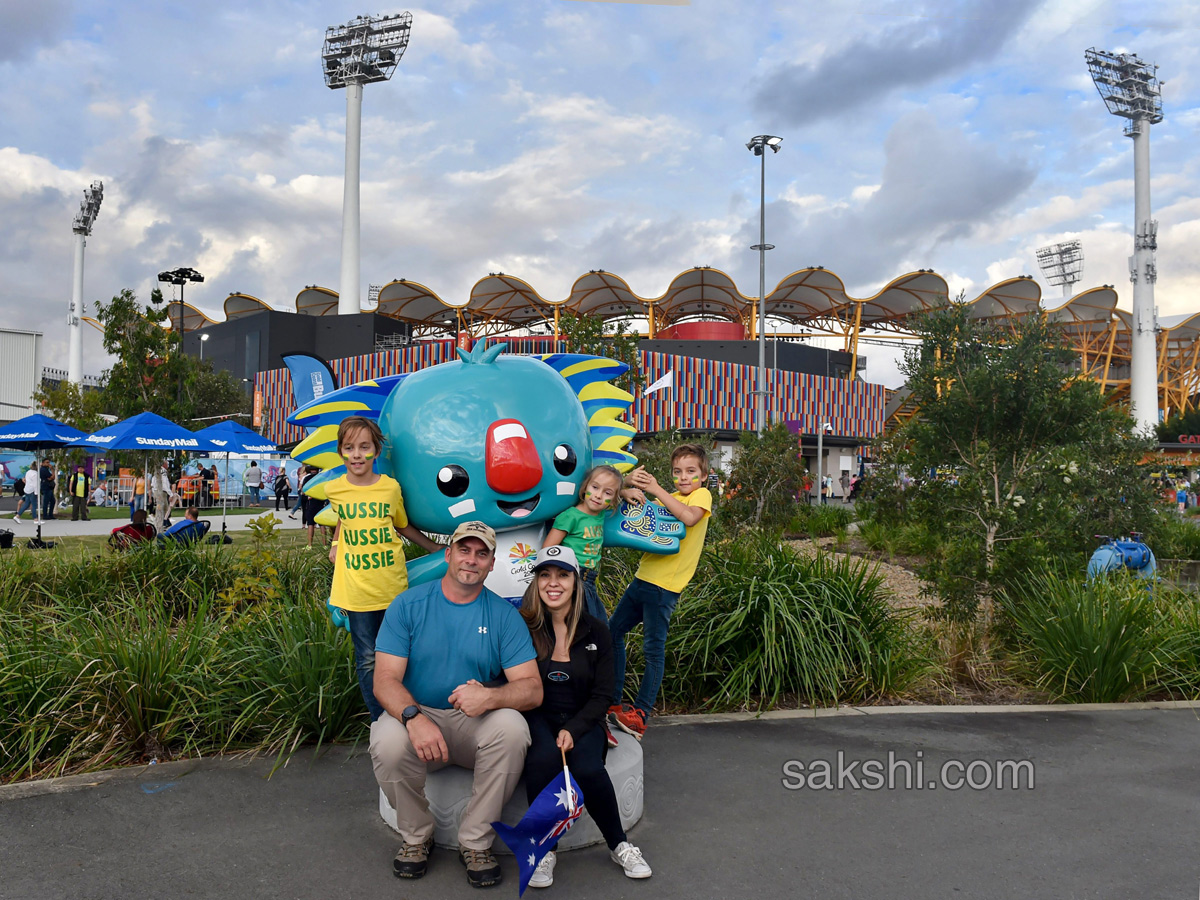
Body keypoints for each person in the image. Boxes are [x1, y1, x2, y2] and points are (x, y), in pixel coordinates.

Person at [370, 520, 542, 889]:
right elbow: (384, 680)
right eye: (464, 550)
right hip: (419, 713)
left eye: (482, 554)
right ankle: (417, 837)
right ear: (448, 554)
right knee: (385, 738)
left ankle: (476, 842)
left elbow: (532, 689)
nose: (472, 560)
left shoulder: (503, 616)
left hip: (472, 721)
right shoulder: (409, 604)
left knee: (512, 728)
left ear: (492, 564)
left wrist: (491, 696)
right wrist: (413, 717)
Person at [518, 546, 652, 889]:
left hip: (583, 717)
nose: (553, 583)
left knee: (588, 767)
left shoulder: (597, 631)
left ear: (576, 582)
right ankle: (546, 848)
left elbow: (603, 694)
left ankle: (619, 844)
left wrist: (575, 729)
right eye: (545, 575)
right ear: (536, 582)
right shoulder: (524, 627)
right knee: (543, 760)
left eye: (562, 575)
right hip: (537, 717)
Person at [324, 416, 441, 721]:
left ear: (376, 451)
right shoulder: (334, 490)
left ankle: (411, 711)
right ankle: (382, 721)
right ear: (341, 452)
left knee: (403, 655)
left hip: (391, 587)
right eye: (349, 447)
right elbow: (344, 519)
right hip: (356, 590)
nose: (357, 454)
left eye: (364, 447)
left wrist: (435, 548)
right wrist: (336, 545)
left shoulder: (390, 488)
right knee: (366, 659)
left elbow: (402, 525)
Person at [608, 444, 713, 742]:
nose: (683, 477)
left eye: (691, 472)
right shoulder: (673, 498)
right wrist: (629, 484)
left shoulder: (699, 496)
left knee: (653, 650)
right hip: (643, 579)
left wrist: (656, 489)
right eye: (678, 472)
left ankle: (640, 715)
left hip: (665, 587)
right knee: (613, 632)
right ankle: (614, 702)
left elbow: (690, 517)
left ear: (703, 476)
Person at [542, 464, 623, 623]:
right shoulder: (571, 516)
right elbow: (547, 549)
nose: (598, 495)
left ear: (613, 500)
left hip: (589, 581)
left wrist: (626, 491)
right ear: (585, 486)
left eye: (607, 493)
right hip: (573, 577)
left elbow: (616, 492)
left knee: (599, 628)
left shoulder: (600, 513)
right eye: (594, 487)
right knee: (582, 628)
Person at [300, 465, 325, 547]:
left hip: (311, 502)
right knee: (322, 524)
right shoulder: (322, 477)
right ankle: (324, 544)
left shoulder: (307, 478)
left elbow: (303, 491)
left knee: (310, 523)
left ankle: (310, 545)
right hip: (321, 501)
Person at [151, 462, 173, 533]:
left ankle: (165, 522)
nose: (168, 466)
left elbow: (153, 483)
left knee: (162, 507)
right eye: (167, 464)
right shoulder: (163, 472)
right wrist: (170, 494)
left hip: (157, 491)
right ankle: (164, 522)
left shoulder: (157, 471)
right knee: (165, 508)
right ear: (164, 465)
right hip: (162, 491)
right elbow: (164, 484)